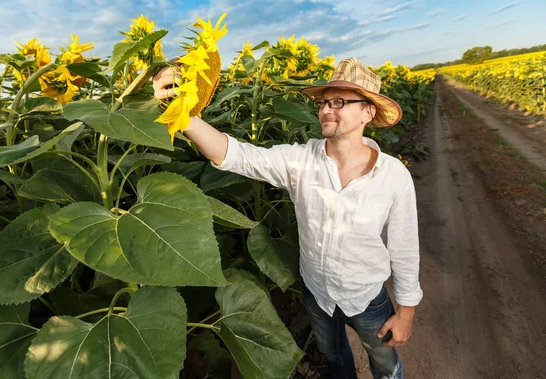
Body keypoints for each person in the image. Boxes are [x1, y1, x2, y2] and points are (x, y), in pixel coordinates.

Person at [153, 57, 423, 379]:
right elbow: (237, 155)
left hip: (365, 297)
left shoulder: (392, 175)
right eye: (323, 102)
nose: (325, 110)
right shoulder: (300, 160)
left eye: (338, 102)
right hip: (317, 293)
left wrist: (406, 312)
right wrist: (183, 114)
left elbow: (404, 247)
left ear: (368, 112)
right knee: (334, 356)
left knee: (385, 364)